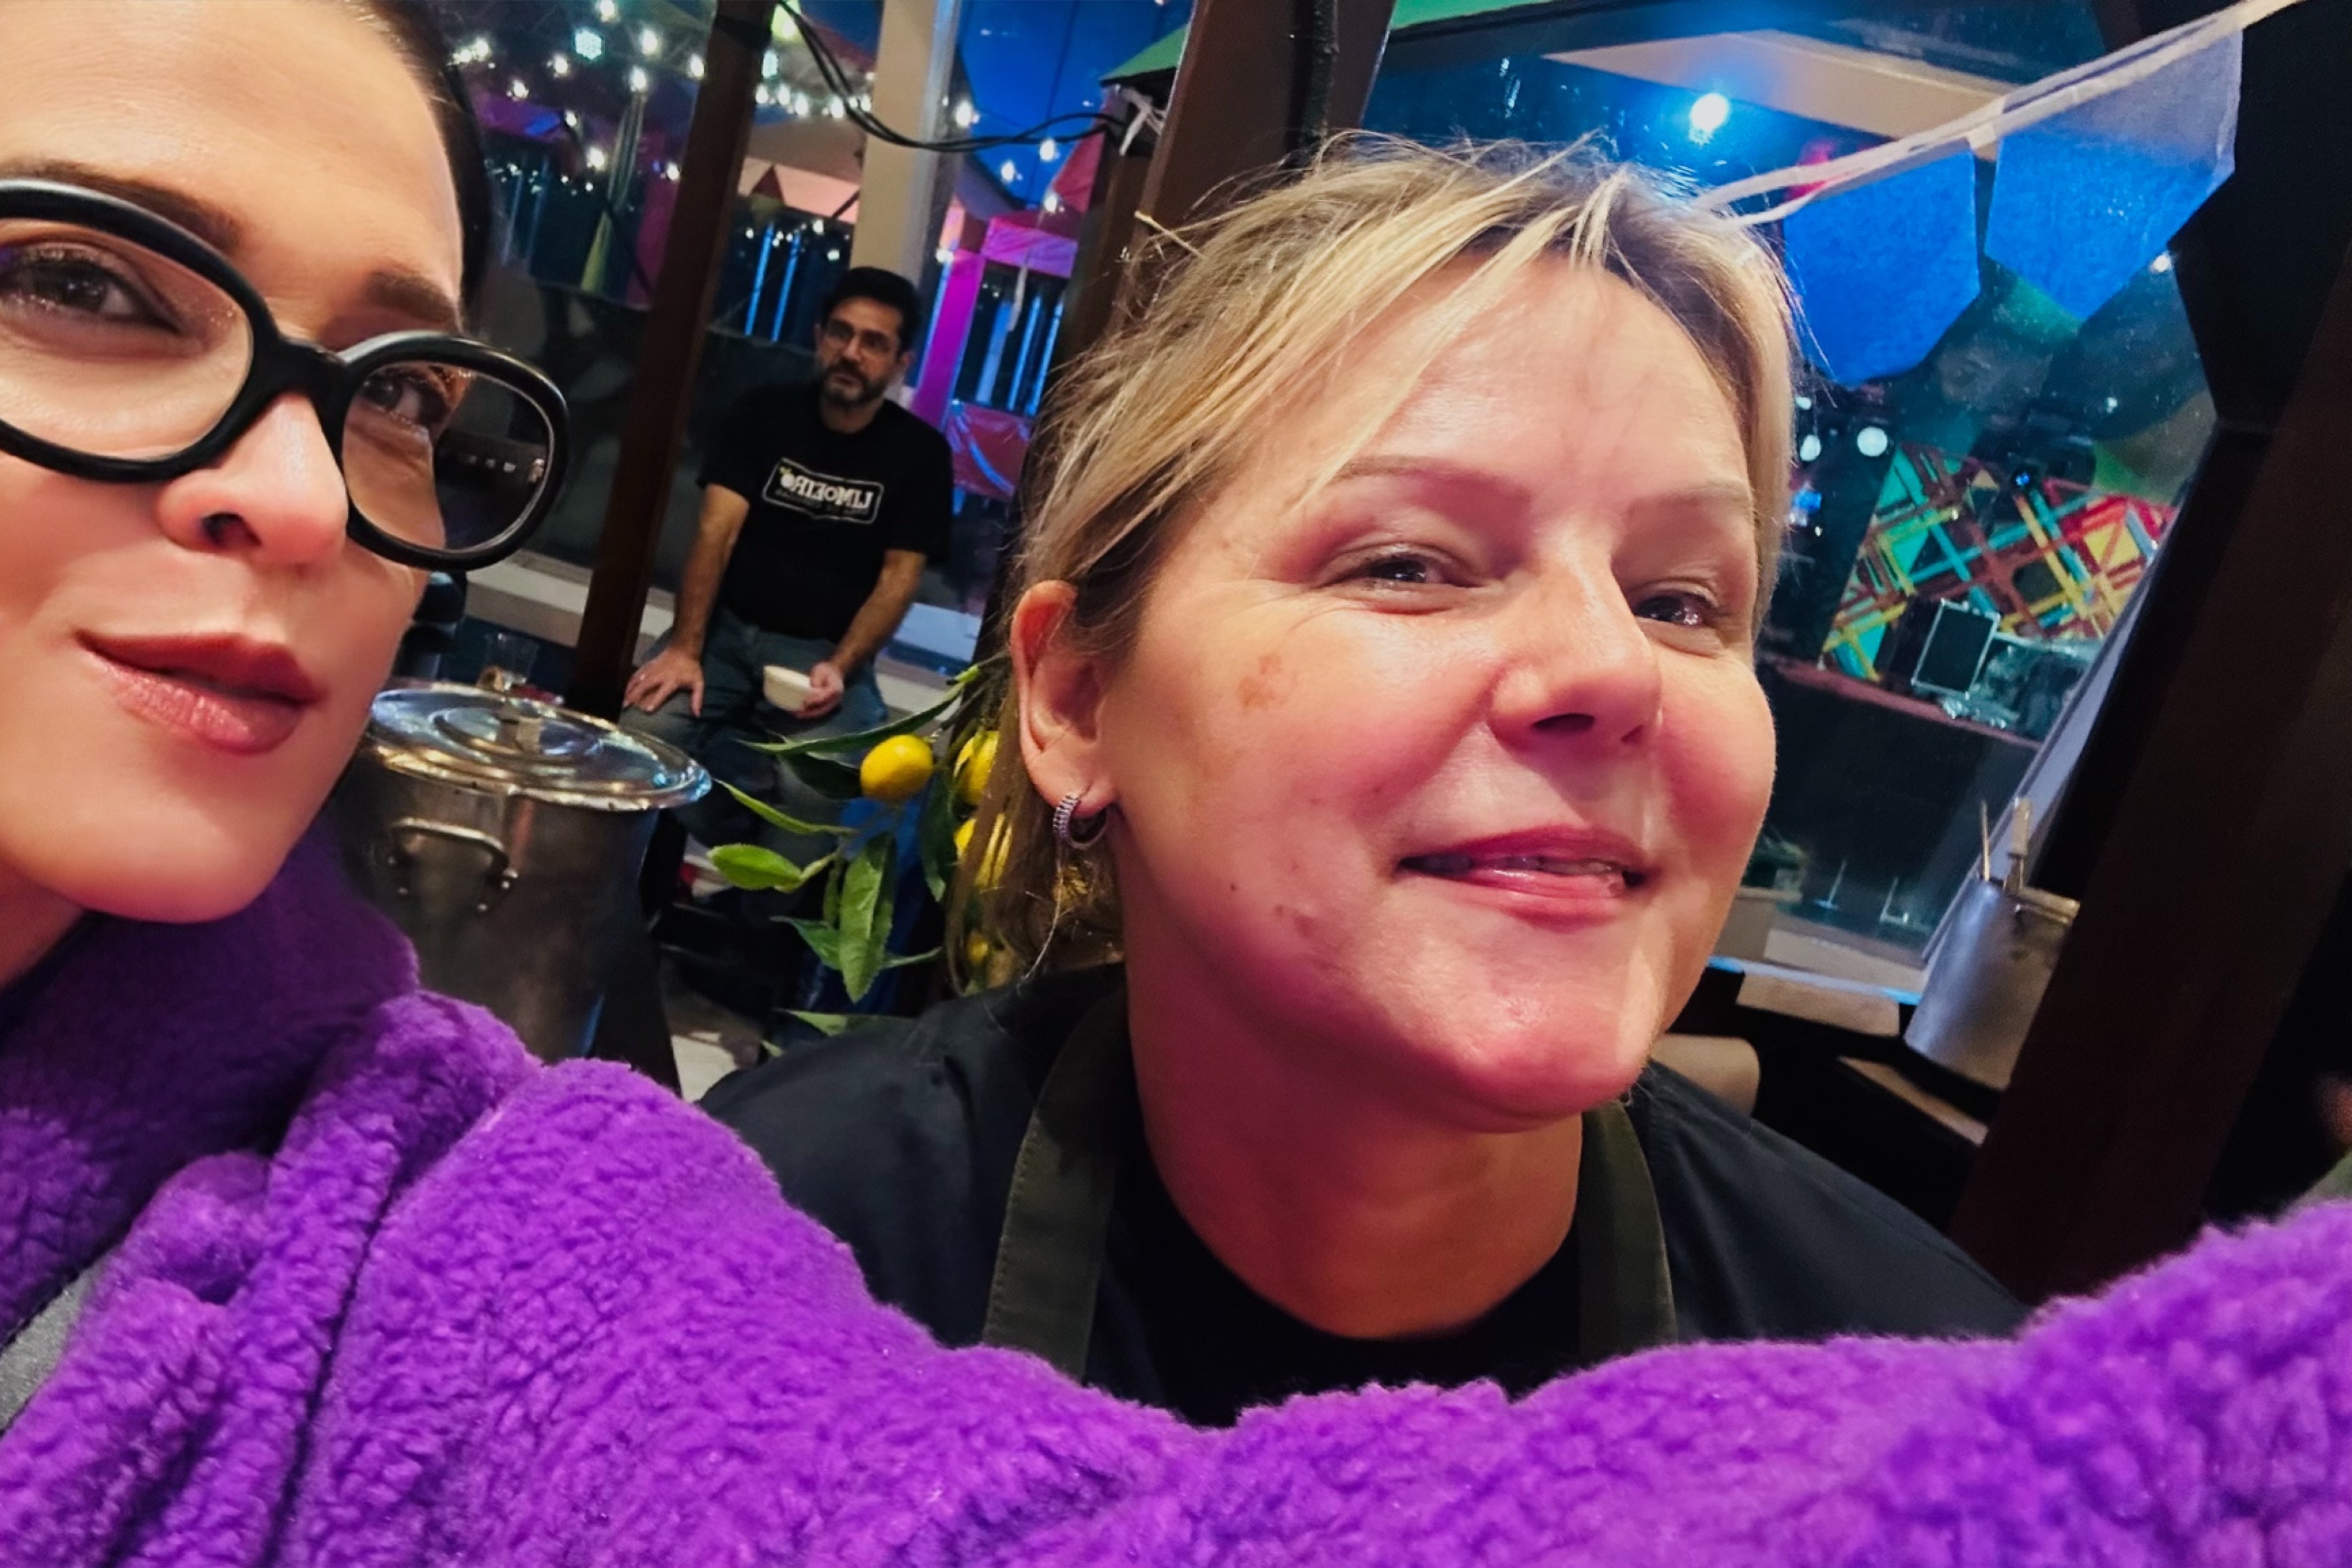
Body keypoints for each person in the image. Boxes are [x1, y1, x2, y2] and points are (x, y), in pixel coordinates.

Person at [0, 6, 2351, 1564]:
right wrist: (712, 644)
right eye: (80, 285)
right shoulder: (825, 1180)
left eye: (1695, 597)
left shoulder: (477, 1250)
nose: (305, 489)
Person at [704, 142, 2027, 1424]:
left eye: (1679, 601)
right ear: (1078, 700)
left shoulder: (1930, 1430)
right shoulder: (759, 1259)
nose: (1613, 668)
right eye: (1406, 563)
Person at [621, 268, 952, 855]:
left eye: (874, 342)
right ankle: (724, 843)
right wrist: (686, 648)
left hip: (822, 654)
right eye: (841, 333)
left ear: (901, 362)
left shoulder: (921, 455)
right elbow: (716, 532)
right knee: (642, 737)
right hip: (721, 636)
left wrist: (842, 665)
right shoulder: (764, 413)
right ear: (820, 337)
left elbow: (899, 579)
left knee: (815, 787)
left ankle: (761, 907)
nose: (851, 353)